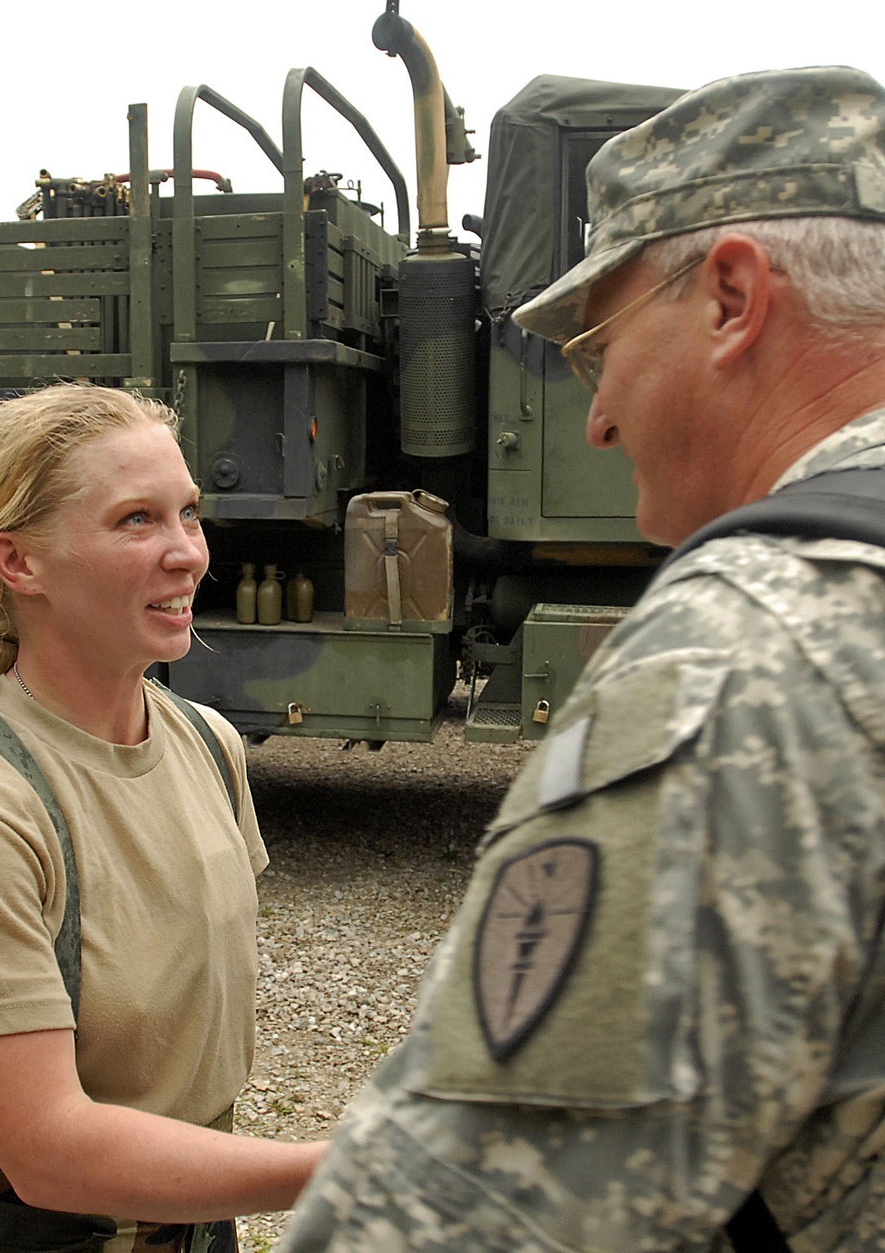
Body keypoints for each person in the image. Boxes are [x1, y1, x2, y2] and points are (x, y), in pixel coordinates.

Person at [278, 65, 885, 1250]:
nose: (596, 417)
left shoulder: (751, 652)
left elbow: (461, 1221)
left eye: (597, 345)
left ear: (729, 297)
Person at [0, 383, 326, 1253]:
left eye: (189, 514)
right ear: (19, 563)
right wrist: (346, 1162)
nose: (188, 555)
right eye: (136, 520)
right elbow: (49, 1151)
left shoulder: (207, 743)